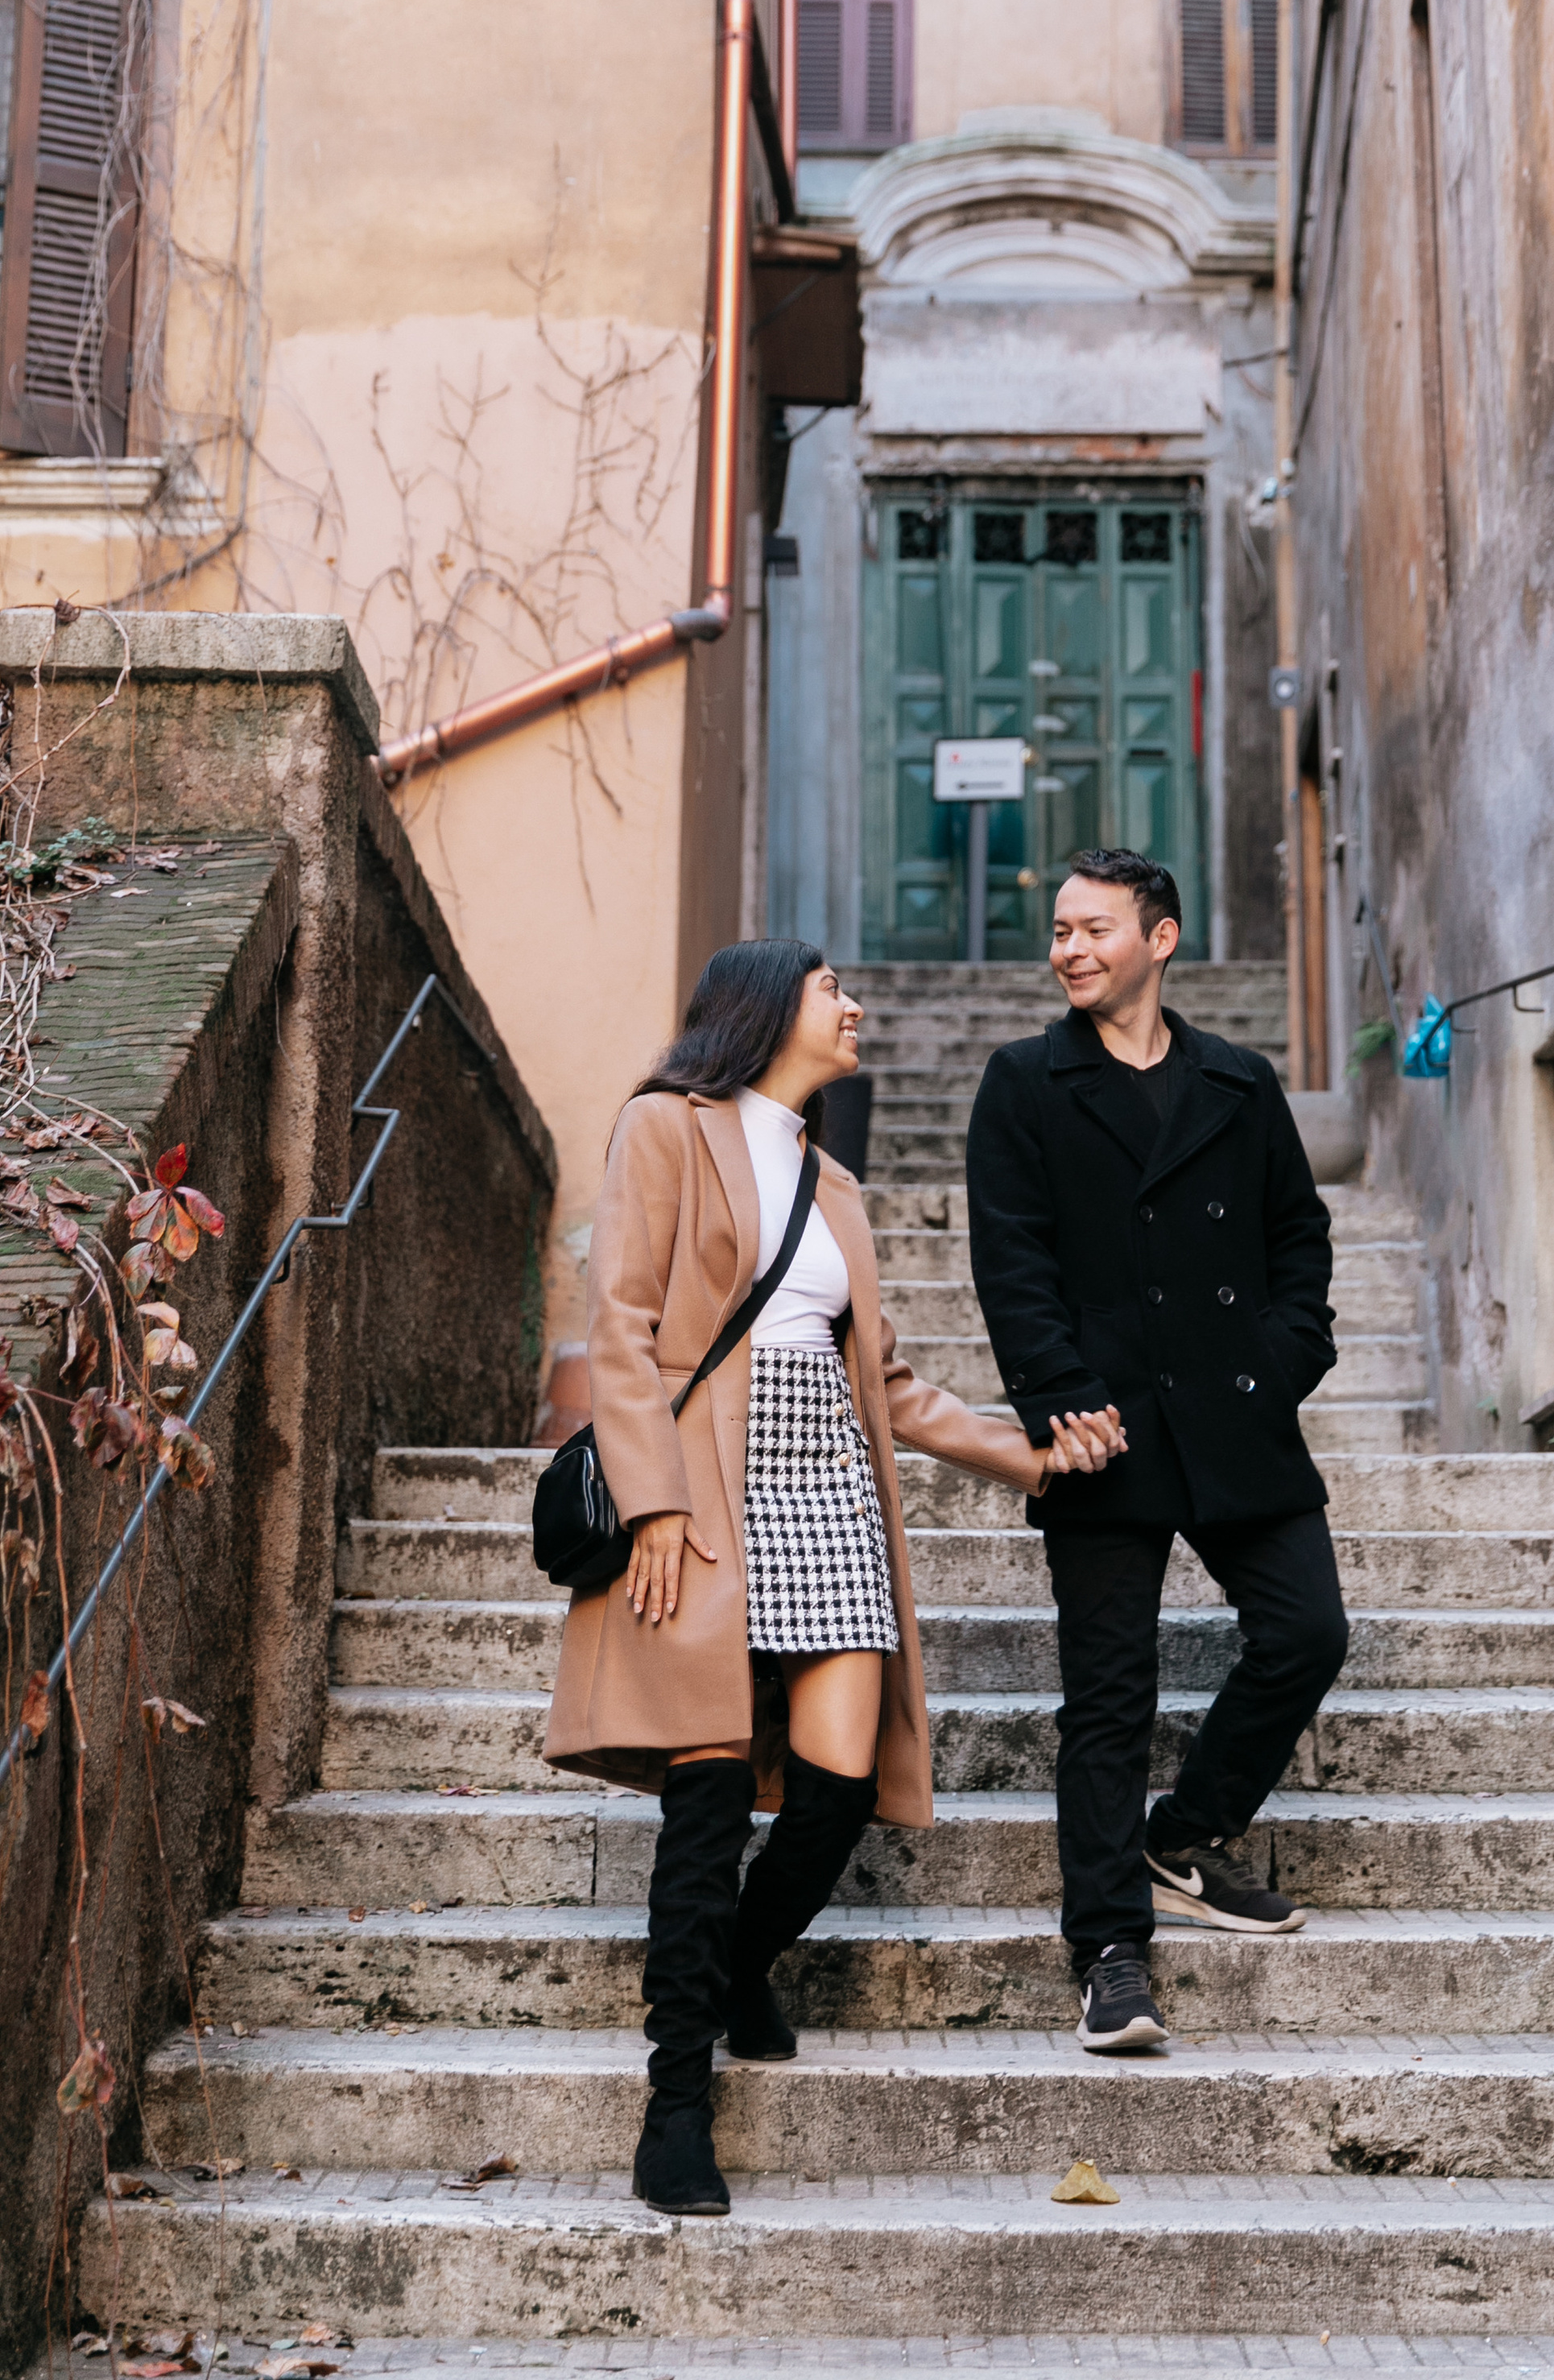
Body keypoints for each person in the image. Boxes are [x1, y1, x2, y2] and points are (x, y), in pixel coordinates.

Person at [542, 939, 1125, 2215]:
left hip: (830, 1496)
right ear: (764, 1011)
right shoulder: (664, 1129)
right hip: (703, 1486)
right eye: (832, 993)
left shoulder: (834, 1183)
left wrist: (1027, 1457)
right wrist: (652, 1506)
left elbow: (891, 1382)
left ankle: (744, 1958)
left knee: (839, 1788)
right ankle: (676, 2103)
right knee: (704, 1807)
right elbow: (623, 1330)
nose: (855, 1009)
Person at [965, 847, 1347, 2055]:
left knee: (1307, 1632)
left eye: (1093, 929)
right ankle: (1111, 1953)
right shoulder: (1025, 1082)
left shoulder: (1239, 1082)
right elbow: (1011, 1261)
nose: (1070, 949)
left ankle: (1184, 1831)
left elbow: (1300, 1245)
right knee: (1110, 1698)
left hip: (1236, 1416)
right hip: (1104, 1432)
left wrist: (1283, 1364)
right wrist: (1058, 1397)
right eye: (1061, 932)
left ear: (1160, 938)